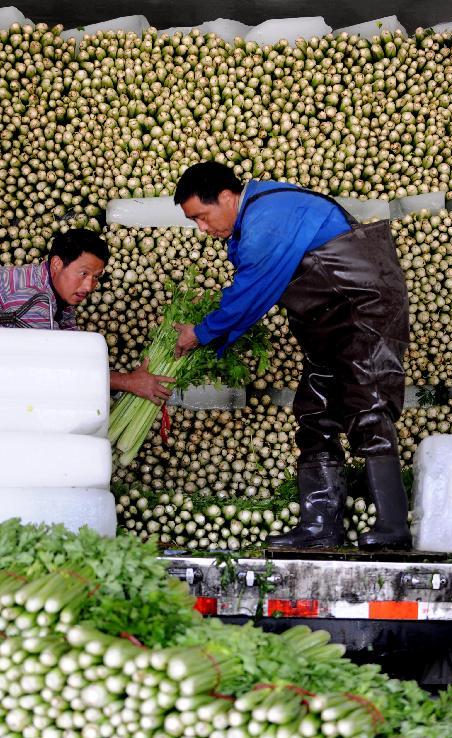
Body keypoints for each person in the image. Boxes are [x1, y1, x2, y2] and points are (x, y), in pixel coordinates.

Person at [173, 162, 411, 550]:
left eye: (202, 217)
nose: (202, 229)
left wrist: (200, 333)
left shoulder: (267, 217)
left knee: (368, 405)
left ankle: (393, 525)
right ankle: (320, 527)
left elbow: (250, 293)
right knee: (314, 411)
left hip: (362, 309)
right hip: (327, 320)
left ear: (228, 197)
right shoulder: (260, 212)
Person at [0, 228, 174, 405]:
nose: (89, 286)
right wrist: (128, 382)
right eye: (83, 274)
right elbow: (52, 369)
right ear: (57, 264)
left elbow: (69, 348)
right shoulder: (33, 298)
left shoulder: (56, 293)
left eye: (96, 278)